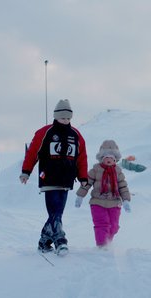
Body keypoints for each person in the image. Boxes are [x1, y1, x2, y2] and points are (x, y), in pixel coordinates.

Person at [20, 99, 89, 255]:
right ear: (56, 116)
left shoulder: (76, 135)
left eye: (68, 118)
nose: (65, 120)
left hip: (66, 180)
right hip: (49, 178)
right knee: (55, 212)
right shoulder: (45, 132)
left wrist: (83, 177)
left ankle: (44, 242)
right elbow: (32, 153)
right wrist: (26, 171)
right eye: (62, 117)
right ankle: (60, 241)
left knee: (57, 213)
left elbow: (81, 157)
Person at [75, 140, 131, 249]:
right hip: (97, 202)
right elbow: (86, 183)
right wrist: (80, 195)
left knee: (114, 226)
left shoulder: (118, 171)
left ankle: (107, 242)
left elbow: (123, 187)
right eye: (106, 156)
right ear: (101, 158)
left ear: (115, 159)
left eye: (111, 157)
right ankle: (102, 245)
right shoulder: (95, 170)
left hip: (114, 202)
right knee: (102, 224)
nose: (109, 159)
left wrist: (126, 200)